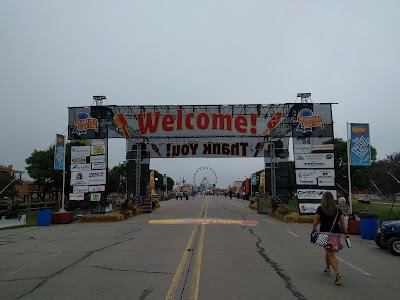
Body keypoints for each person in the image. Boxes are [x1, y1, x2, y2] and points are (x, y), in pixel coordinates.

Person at [311, 191, 350, 285]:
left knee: (330, 253)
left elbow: (315, 221)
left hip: (324, 233)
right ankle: (327, 268)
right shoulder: (337, 210)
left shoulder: (320, 209)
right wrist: (346, 233)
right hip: (335, 234)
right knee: (328, 251)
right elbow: (343, 223)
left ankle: (338, 273)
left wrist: (313, 230)